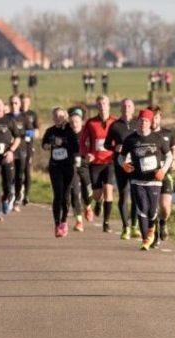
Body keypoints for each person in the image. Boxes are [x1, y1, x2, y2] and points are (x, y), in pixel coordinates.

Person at [118, 108, 173, 250]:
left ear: (150, 123)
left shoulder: (158, 138)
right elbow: (120, 156)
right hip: (137, 180)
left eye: (146, 121)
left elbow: (169, 156)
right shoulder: (130, 139)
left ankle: (151, 232)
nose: (143, 123)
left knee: (153, 211)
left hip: (154, 180)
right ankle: (145, 240)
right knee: (142, 207)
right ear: (137, 122)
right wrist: (123, 165)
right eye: (141, 120)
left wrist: (163, 170)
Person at [79, 95, 117, 232]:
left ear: (109, 106)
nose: (102, 106)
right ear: (97, 107)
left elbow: (121, 139)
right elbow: (83, 141)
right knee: (96, 194)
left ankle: (106, 222)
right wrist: (86, 154)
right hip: (95, 162)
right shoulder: (90, 123)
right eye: (99, 104)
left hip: (110, 161)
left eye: (104, 104)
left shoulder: (115, 122)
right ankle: (98, 202)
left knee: (108, 190)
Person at [42, 107, 80, 237]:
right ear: (53, 118)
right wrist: (47, 145)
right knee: (57, 194)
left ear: (65, 117)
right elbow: (44, 144)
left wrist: (63, 142)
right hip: (55, 166)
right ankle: (57, 224)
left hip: (68, 166)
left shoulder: (70, 131)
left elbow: (76, 147)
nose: (59, 118)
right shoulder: (50, 131)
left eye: (61, 116)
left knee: (66, 195)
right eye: (56, 116)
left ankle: (64, 220)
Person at [104, 99, 139, 239]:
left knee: (136, 195)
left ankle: (134, 226)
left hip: (136, 164)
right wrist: (114, 147)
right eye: (124, 106)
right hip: (121, 164)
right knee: (124, 194)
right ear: (121, 108)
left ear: (133, 108)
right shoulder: (115, 125)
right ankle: (125, 227)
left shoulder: (138, 124)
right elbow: (106, 144)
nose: (126, 108)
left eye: (129, 106)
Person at [151, 106, 175, 248]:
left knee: (165, 207)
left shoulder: (167, 134)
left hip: (165, 174)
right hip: (150, 176)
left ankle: (163, 223)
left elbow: (174, 148)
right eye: (151, 118)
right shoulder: (144, 135)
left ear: (160, 118)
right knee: (153, 208)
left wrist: (173, 160)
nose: (154, 120)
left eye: (156, 117)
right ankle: (154, 237)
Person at [67, 107, 93, 231]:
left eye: (76, 122)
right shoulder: (66, 134)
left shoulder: (86, 133)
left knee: (88, 191)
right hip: (71, 166)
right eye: (71, 122)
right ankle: (78, 221)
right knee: (75, 192)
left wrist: (91, 155)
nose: (74, 124)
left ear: (81, 122)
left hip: (84, 165)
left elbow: (94, 147)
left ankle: (88, 206)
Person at [7, 95, 31, 212]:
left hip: (22, 151)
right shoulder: (6, 117)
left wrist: (22, 133)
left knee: (19, 176)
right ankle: (9, 196)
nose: (13, 105)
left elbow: (32, 133)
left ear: (19, 104)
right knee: (9, 176)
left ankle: (16, 199)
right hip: (9, 151)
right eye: (11, 103)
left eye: (16, 103)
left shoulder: (25, 117)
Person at [18, 94, 39, 206]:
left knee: (27, 171)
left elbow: (37, 132)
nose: (24, 104)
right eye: (23, 102)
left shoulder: (33, 114)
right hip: (18, 146)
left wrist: (27, 133)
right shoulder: (17, 114)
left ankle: (26, 195)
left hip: (29, 146)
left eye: (26, 102)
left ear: (29, 102)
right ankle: (18, 190)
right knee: (19, 170)